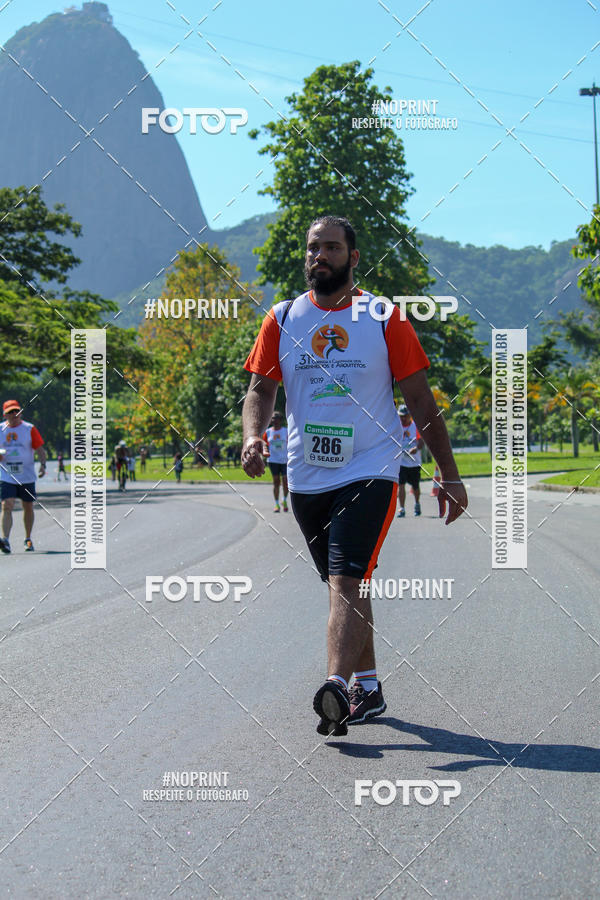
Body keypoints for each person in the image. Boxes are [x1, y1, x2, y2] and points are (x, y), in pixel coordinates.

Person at [241, 215, 468, 736]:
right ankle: (368, 687)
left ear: (353, 257)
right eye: (313, 247)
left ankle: (336, 688)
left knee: (345, 578)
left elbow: (420, 400)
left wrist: (449, 476)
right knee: (347, 583)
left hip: (371, 467)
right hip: (306, 476)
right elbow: (261, 390)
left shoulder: (385, 317)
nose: (319, 256)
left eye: (332, 248)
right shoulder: (282, 317)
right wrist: (253, 436)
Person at [0, 399, 47, 553]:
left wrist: (43, 465)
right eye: (10, 412)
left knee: (28, 506)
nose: (14, 414)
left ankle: (28, 538)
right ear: (5, 415)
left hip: (26, 475)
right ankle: (5, 540)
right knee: (7, 505)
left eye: (16, 411)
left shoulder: (29, 429)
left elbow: (40, 449)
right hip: (7, 475)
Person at [396, 403, 425, 517]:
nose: (403, 418)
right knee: (401, 485)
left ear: (410, 415)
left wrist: (416, 448)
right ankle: (402, 508)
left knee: (415, 486)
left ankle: (417, 504)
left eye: (405, 416)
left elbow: (421, 442)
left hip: (414, 462)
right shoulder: (396, 427)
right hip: (401, 462)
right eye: (401, 416)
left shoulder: (415, 427)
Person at [263, 411, 289, 512]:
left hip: (285, 460)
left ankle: (284, 500)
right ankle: (277, 504)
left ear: (280, 420)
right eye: (273, 418)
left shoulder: (286, 431)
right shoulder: (268, 432)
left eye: (276, 418)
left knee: (285, 482)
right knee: (276, 482)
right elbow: (264, 445)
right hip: (273, 460)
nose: (274, 420)